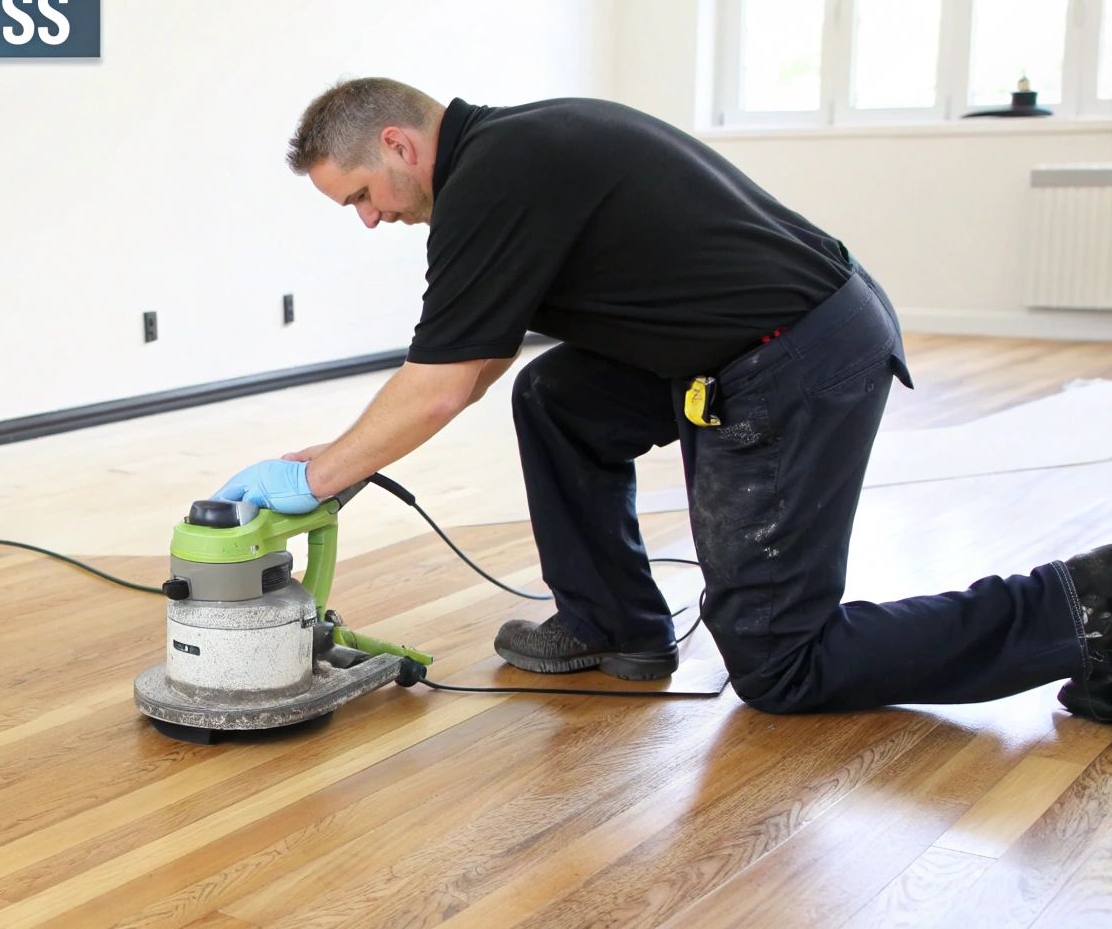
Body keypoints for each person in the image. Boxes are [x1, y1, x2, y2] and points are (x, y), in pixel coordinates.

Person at [213, 77, 1111, 721]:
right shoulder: (514, 148)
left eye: (362, 196)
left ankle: (1081, 607)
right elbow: (475, 361)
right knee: (558, 396)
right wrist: (332, 461)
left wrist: (324, 475)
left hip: (795, 358)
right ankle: (616, 626)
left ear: (400, 147)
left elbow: (441, 387)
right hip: (747, 342)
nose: (370, 219)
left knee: (783, 665)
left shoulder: (496, 176)